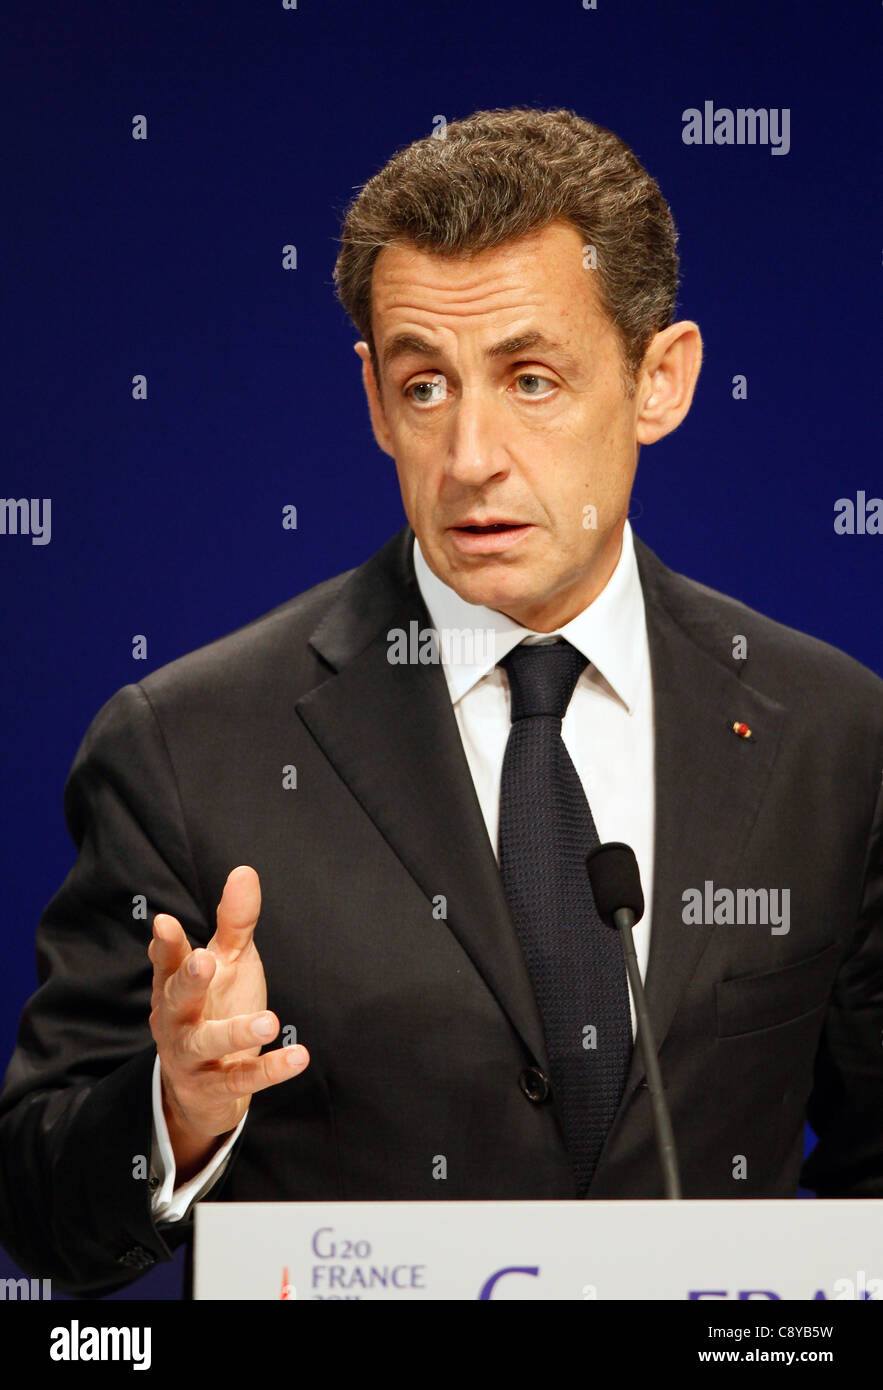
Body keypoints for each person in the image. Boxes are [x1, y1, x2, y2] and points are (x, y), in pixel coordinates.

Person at [1, 107, 881, 1299]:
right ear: (373, 398)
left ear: (659, 379)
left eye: (530, 378)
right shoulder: (186, 747)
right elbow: (40, 1205)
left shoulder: (833, 734)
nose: (470, 454)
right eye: (425, 384)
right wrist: (179, 1106)